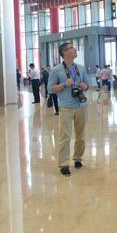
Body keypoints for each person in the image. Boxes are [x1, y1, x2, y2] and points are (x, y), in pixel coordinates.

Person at [47, 42, 90, 177]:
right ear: (64, 52)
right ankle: (64, 164)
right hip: (66, 107)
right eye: (71, 48)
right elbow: (50, 89)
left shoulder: (80, 68)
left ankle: (78, 158)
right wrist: (64, 84)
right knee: (65, 136)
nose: (74, 49)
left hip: (81, 105)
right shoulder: (56, 70)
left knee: (81, 135)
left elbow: (88, 84)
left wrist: (84, 86)